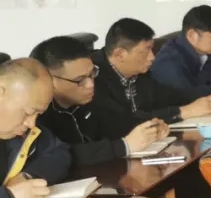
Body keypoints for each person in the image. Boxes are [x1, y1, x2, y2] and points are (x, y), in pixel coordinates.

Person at [31, 36, 168, 166]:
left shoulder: (91, 97)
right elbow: (59, 154)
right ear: (49, 80)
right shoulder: (35, 114)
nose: (90, 84)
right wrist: (123, 146)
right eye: (80, 80)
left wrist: (150, 127)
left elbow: (118, 120)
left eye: (92, 74)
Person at [90, 18, 211, 139]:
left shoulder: (141, 73)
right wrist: (183, 112)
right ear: (120, 54)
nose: (152, 57)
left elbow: (169, 96)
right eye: (146, 50)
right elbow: (122, 122)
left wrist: (208, 101)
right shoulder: (93, 78)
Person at [0, 58, 72, 198]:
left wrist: (26, 177)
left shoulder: (18, 133)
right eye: (28, 112)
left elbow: (59, 152)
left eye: (38, 114)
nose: (31, 123)